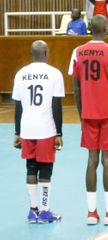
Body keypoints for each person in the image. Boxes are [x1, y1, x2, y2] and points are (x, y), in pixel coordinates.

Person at [69, 15, 108, 225]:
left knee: (92, 161)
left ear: (89, 29)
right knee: (107, 162)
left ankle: (91, 213)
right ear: (106, 28)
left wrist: (81, 113)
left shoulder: (78, 52)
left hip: (89, 113)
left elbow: (76, 88)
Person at [13, 40, 64, 224]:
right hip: (46, 129)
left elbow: (18, 106)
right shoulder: (54, 74)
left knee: (31, 167)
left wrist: (17, 131)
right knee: (46, 170)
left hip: (27, 128)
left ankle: (32, 211)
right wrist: (59, 133)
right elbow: (56, 106)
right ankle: (44, 211)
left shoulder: (21, 74)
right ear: (46, 53)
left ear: (32, 54)